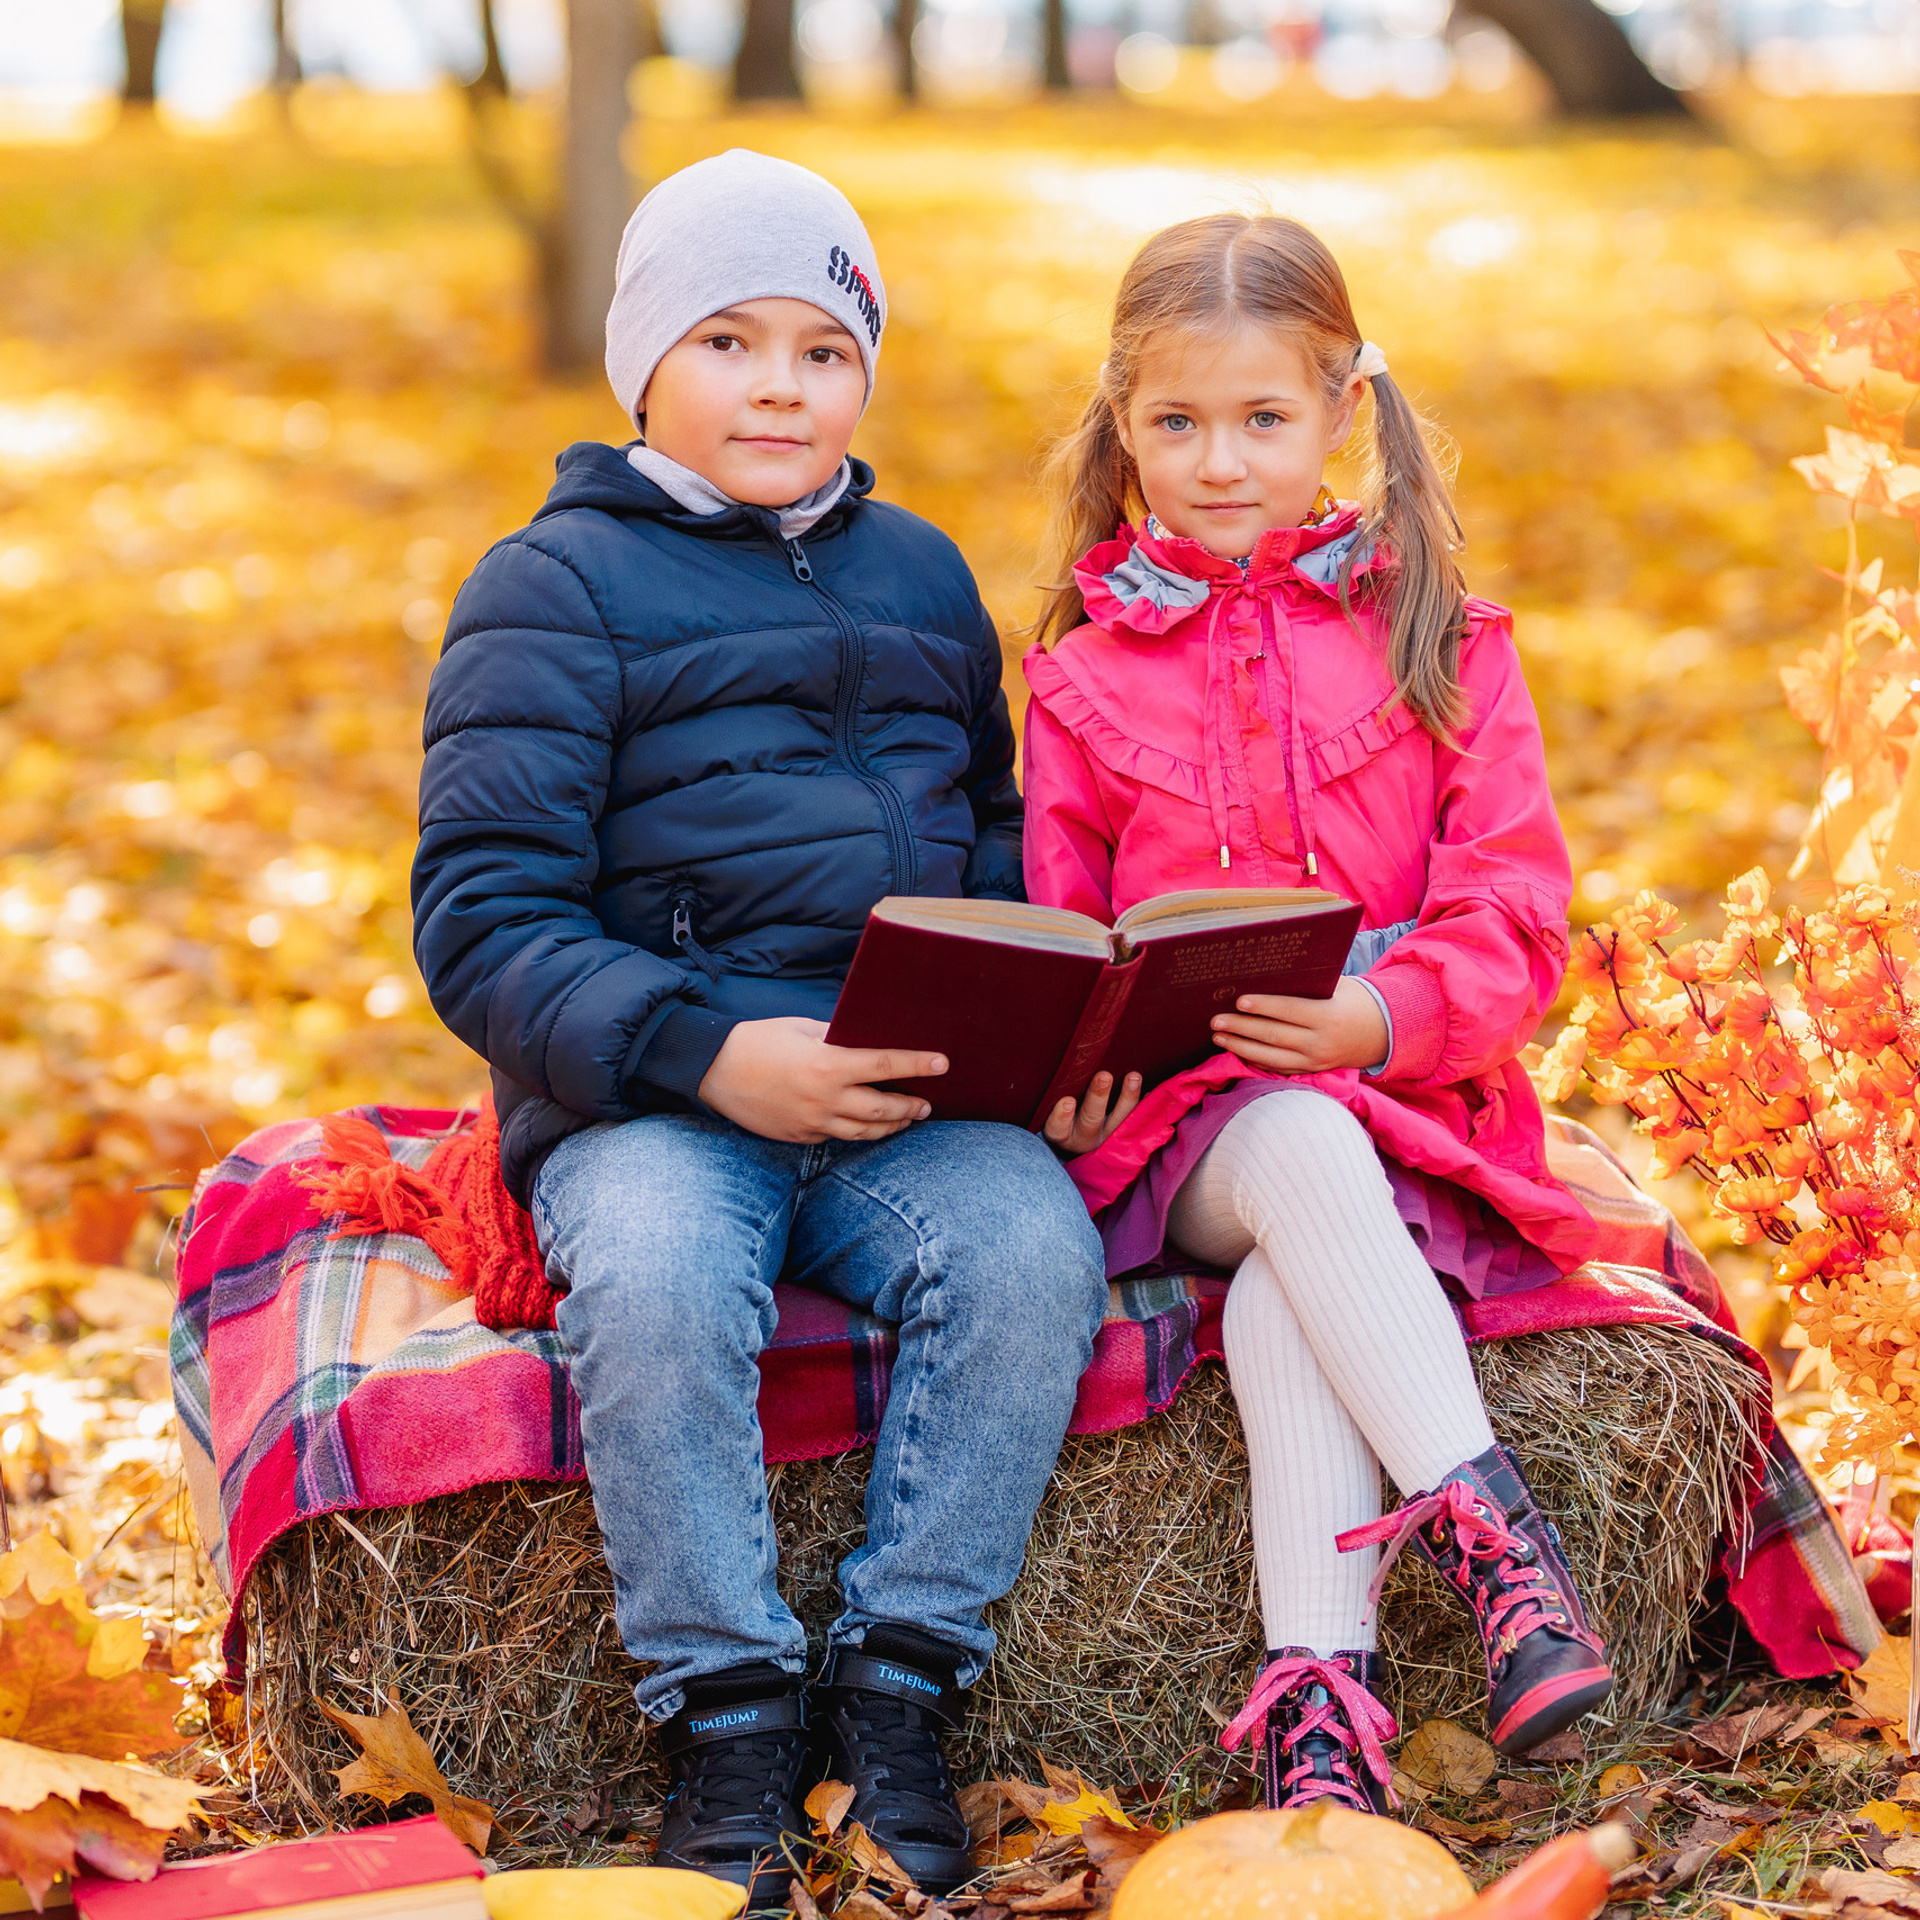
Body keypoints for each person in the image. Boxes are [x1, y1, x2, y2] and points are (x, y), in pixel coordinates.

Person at [410, 150, 1109, 1902]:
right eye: (727, 341)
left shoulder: (923, 575)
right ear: (640, 363)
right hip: (661, 1087)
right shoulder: (552, 587)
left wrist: (1053, 1013)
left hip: (899, 1087)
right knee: (648, 1280)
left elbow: (999, 828)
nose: (780, 385)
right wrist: (712, 1054)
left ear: (867, 370)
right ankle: (723, 1706)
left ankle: (900, 1681)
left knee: (1031, 1253)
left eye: (822, 346)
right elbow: (481, 917)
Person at [1020, 213, 1612, 1817]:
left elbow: (1518, 917)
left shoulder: (1445, 644)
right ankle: (1493, 1531)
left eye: (1264, 419)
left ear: (1343, 408)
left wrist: (1382, 1018)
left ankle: (1319, 1714)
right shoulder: (1082, 676)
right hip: (1189, 1138)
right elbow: (1063, 932)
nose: (1220, 461)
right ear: (1124, 420)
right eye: (1179, 423)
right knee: (1284, 1150)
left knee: (1305, 1256)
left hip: (1409, 1105)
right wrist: (1069, 1067)